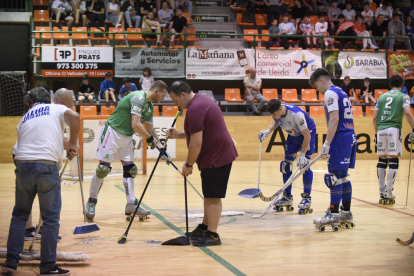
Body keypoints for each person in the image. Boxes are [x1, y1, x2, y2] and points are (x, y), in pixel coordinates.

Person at [1, 87, 80, 275]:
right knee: (51, 219)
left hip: (21, 164)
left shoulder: (26, 117)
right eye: (68, 103)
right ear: (58, 101)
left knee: (19, 215)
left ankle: (11, 262)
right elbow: (75, 118)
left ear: (31, 102)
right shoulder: (56, 108)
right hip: (45, 165)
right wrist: (73, 144)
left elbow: (19, 148)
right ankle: (47, 267)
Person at [166, 81, 238, 246]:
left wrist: (188, 164)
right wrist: (177, 134)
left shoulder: (196, 109)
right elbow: (196, 132)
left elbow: (196, 142)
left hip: (216, 157)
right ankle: (205, 227)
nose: (176, 104)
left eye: (176, 100)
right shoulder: (199, 102)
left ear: (183, 95)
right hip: (214, 155)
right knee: (209, 195)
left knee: (213, 196)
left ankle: (212, 234)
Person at [85, 81, 169, 221]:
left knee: (130, 170)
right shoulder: (138, 97)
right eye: (163, 95)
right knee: (103, 169)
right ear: (156, 91)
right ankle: (91, 202)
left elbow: (149, 130)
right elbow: (136, 124)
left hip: (127, 137)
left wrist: (161, 146)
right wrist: (149, 140)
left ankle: (131, 204)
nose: (163, 98)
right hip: (112, 132)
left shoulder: (149, 107)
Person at [309, 68, 357, 231]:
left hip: (340, 136)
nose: (317, 91)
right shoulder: (341, 91)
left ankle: (334, 214)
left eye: (316, 86)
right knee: (343, 177)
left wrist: (327, 143)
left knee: (333, 177)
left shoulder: (330, 93)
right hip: (350, 134)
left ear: (321, 80)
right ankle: (346, 212)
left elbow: (334, 118)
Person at [258, 99, 316, 214]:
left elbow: (307, 136)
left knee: (304, 166)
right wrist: (269, 131)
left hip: (307, 133)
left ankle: (306, 198)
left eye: (274, 114)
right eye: (271, 115)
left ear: (280, 109)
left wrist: (302, 154)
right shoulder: (277, 113)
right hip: (293, 135)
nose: (273, 117)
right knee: (285, 165)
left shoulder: (296, 115)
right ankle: (287, 197)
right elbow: (276, 120)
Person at [373, 74, 414, 205]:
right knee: (393, 160)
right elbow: (408, 112)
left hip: (381, 129)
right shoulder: (404, 96)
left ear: (389, 85)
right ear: (402, 85)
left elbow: (375, 118)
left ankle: (381, 190)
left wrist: (376, 133)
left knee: (382, 160)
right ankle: (389, 191)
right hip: (394, 129)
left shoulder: (381, 96)